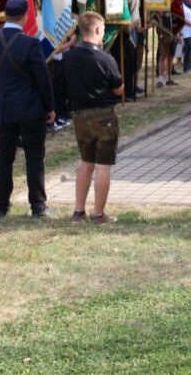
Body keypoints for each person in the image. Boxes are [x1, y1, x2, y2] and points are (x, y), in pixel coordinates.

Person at [0, 0, 55, 219]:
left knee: (4, 157)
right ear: (25, 16)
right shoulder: (31, 44)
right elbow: (43, 79)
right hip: (30, 108)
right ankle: (38, 207)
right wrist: (50, 107)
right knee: (34, 158)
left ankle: (1, 206)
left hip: (2, 108)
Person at [62, 12, 123, 225]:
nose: (103, 34)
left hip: (80, 115)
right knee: (102, 166)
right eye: (103, 30)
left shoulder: (69, 57)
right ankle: (99, 214)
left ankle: (78, 212)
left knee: (86, 163)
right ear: (97, 30)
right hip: (104, 115)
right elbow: (118, 89)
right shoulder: (105, 58)